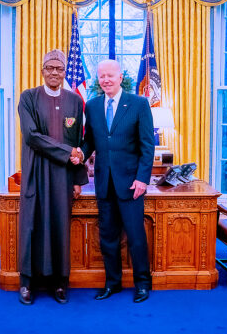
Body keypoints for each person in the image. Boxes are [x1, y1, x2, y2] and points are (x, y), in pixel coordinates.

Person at [74, 59, 154, 303]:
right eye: (102, 76)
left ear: (120, 77)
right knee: (107, 236)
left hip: (131, 184)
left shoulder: (139, 104)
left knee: (135, 236)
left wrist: (142, 179)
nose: (106, 79)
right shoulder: (93, 106)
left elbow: (147, 146)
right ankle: (113, 283)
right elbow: (91, 141)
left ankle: (142, 284)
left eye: (110, 75)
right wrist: (80, 153)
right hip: (104, 183)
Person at [17, 49, 87, 305]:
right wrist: (68, 151)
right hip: (36, 171)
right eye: (50, 68)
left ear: (64, 71)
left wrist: (78, 179)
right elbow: (32, 136)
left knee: (60, 226)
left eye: (59, 68)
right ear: (42, 70)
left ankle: (60, 282)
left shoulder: (74, 101)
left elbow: (77, 140)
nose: (54, 72)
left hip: (63, 176)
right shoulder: (28, 98)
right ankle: (26, 282)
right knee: (31, 225)